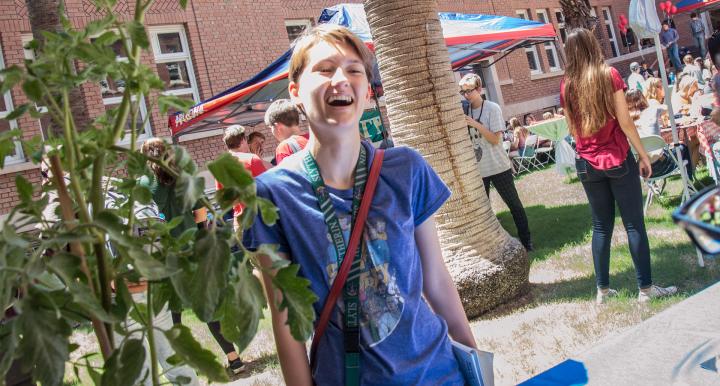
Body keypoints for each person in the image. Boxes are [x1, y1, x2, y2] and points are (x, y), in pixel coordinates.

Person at [244, 24, 476, 385]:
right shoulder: (271, 195)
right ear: (296, 92)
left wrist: (474, 363)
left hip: (438, 374)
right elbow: (287, 322)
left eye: (354, 70)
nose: (341, 78)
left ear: (367, 91)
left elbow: (437, 280)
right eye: (324, 69)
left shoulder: (406, 169)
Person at [560, 28, 677, 304]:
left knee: (601, 227)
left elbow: (571, 128)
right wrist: (644, 155)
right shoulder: (608, 75)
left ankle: (602, 291)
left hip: (586, 162)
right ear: (592, 46)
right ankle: (646, 291)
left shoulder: (567, 85)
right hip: (616, 157)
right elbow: (625, 122)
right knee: (634, 224)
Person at [140, 138, 248, 375]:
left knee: (172, 315)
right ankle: (234, 359)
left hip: (162, 257)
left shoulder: (144, 184)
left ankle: (182, 367)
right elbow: (200, 214)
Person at [460, 73, 534, 251]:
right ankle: (491, 245)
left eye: (469, 91)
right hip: (478, 170)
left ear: (479, 89)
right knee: (483, 211)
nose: (466, 95)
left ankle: (526, 241)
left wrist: (474, 124)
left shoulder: (492, 108)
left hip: (498, 166)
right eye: (463, 92)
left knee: (514, 205)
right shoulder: (465, 110)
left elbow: (495, 139)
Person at [217, 125, 272, 229]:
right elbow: (268, 187)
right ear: (243, 140)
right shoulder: (251, 159)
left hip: (239, 223)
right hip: (259, 221)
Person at [264, 99, 309, 165]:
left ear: (277, 126)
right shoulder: (314, 138)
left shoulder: (285, 148)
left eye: (271, 127)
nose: (272, 132)